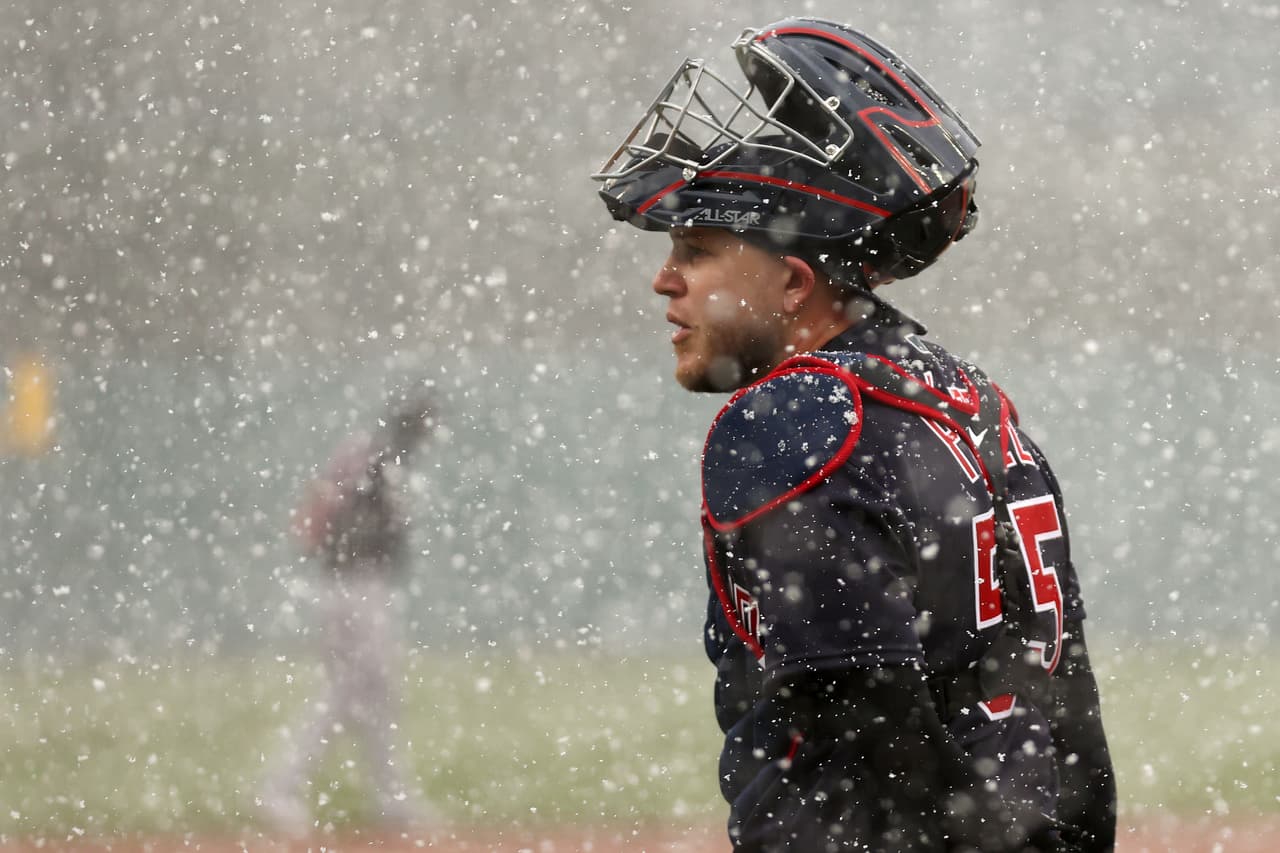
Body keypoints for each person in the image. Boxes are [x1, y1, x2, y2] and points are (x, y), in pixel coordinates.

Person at [593, 18, 1115, 853]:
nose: (665, 279)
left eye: (696, 248)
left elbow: (863, 714)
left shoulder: (791, 419)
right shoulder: (966, 396)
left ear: (794, 282)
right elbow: (1068, 705)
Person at [261, 390, 439, 835]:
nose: (427, 434)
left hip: (354, 584)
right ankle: (280, 788)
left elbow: (317, 515)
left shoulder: (374, 454)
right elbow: (318, 514)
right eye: (424, 424)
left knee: (377, 693)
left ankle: (391, 798)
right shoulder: (377, 457)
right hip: (354, 586)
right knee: (349, 692)